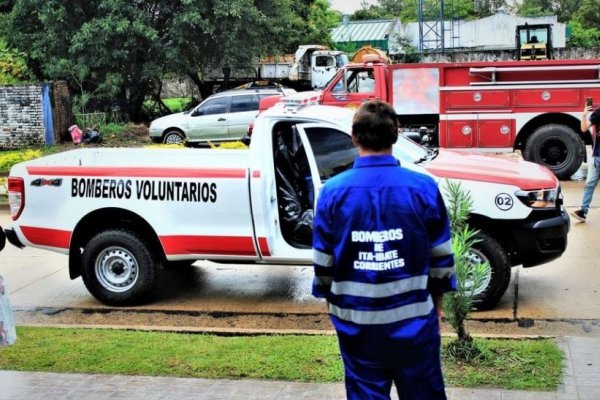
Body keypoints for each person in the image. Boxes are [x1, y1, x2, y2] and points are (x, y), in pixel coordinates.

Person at [312, 100, 456, 400]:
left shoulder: (332, 193)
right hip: (415, 326)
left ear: (354, 136)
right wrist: (437, 306)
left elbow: (323, 264)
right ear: (396, 135)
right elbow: (441, 259)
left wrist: (334, 309)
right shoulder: (423, 188)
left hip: (357, 327)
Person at [571, 104, 600, 222]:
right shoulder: (598, 112)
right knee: (589, 185)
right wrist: (584, 115)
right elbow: (584, 128)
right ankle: (583, 212)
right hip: (597, 157)